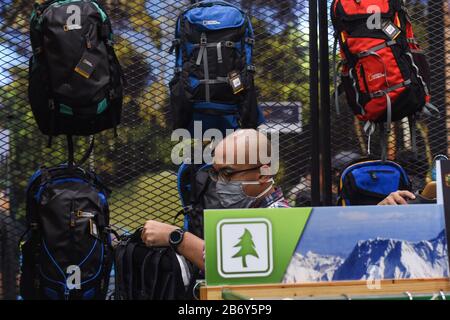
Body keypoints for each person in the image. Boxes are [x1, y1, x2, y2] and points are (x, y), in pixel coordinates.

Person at [141, 129, 289, 271]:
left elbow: (235, 267)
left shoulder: (280, 218)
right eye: (216, 173)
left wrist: (177, 237)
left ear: (264, 174)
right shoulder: (245, 213)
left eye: (227, 172)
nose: (219, 183)